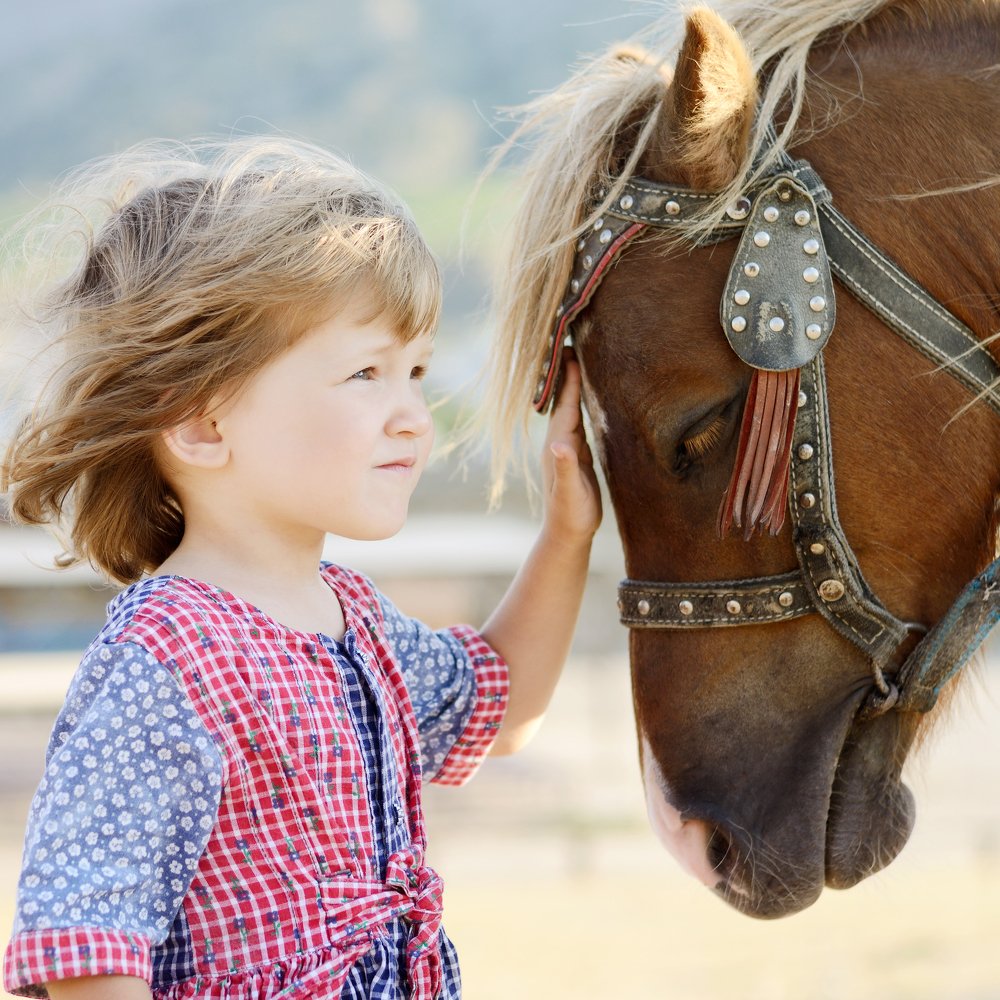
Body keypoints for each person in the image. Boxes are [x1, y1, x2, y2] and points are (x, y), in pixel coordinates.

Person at [0, 137, 601, 1000]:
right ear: (202, 424)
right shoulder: (168, 659)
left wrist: (566, 532)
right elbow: (90, 947)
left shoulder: (356, 618)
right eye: (366, 372)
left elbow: (497, 708)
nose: (413, 419)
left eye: (418, 372)